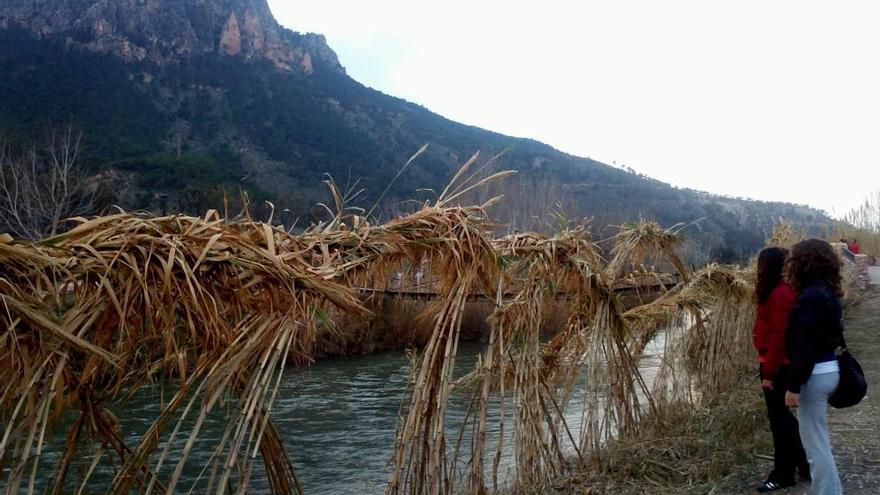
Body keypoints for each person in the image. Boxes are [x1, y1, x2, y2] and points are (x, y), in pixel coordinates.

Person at [784, 239, 844, 494]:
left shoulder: (809, 297)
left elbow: (806, 346)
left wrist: (793, 385)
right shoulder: (828, 292)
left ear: (801, 264)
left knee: (815, 445)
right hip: (830, 368)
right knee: (819, 441)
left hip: (814, 374)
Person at [753, 247, 810, 492]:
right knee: (784, 420)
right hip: (775, 363)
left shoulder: (781, 294)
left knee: (780, 422)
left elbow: (779, 337)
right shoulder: (780, 292)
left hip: (777, 366)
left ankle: (783, 473)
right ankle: (805, 465)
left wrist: (769, 374)